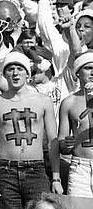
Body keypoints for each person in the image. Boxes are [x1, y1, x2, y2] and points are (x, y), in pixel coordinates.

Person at [0, 52, 63, 209]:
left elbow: (52, 141)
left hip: (36, 169)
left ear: (28, 73)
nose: (15, 73)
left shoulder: (43, 101)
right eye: (10, 69)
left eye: (20, 68)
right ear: (4, 74)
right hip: (5, 170)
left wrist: (56, 177)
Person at [58, 50, 93, 198]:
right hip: (80, 167)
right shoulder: (69, 103)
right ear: (78, 72)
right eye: (88, 68)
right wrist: (67, 144)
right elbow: (61, 142)